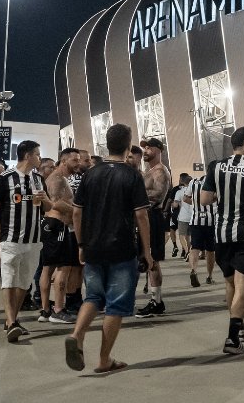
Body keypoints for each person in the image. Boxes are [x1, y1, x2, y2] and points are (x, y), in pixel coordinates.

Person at [65, 123, 154, 374]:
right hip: (121, 248)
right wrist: (146, 252)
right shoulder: (132, 175)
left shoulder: (90, 174)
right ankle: (104, 359)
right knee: (115, 304)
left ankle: (77, 334)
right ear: (128, 146)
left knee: (93, 297)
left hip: (92, 247)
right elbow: (142, 217)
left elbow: (77, 213)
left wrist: (81, 244)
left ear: (106, 143)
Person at [0, 140, 64, 342]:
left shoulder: (38, 179)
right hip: (10, 238)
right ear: (28, 156)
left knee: (24, 283)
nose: (39, 158)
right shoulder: (5, 179)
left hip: (34, 239)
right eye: (37, 154)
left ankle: (12, 319)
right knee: (9, 280)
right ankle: (11, 323)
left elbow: (47, 209)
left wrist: (45, 199)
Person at [199, 126, 244, 354]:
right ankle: (232, 339)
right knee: (242, 285)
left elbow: (205, 199)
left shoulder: (216, 167)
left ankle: (238, 328)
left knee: (230, 283)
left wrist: (224, 195)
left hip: (222, 235)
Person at [39, 148, 81, 324]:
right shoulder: (57, 179)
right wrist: (77, 211)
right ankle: (57, 309)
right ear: (63, 161)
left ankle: (46, 311)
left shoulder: (60, 178)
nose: (78, 164)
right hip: (57, 226)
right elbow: (54, 204)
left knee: (48, 268)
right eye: (74, 160)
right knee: (63, 268)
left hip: (56, 227)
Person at [135, 138, 172, 318]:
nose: (146, 150)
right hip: (146, 216)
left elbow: (156, 195)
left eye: (149, 147)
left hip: (153, 217)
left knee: (153, 260)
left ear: (159, 150)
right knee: (147, 260)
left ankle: (156, 302)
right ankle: (156, 300)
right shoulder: (150, 171)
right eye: (145, 148)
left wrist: (134, 196)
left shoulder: (160, 171)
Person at [185, 170, 216, 287]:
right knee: (210, 250)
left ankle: (193, 270)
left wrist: (195, 203)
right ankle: (209, 276)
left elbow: (185, 198)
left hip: (196, 220)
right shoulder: (216, 182)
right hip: (211, 221)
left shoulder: (193, 181)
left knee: (195, 247)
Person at [176, 172, 194, 260]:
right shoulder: (195, 190)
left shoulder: (179, 192)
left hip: (183, 217)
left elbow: (175, 205)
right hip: (193, 217)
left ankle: (187, 251)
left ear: (183, 182)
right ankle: (191, 251)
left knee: (182, 236)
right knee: (189, 236)